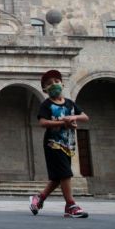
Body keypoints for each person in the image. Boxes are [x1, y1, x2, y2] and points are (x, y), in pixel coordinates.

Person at [29, 69, 90, 218]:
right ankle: (70, 205)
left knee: (58, 177)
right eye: (49, 83)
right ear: (45, 89)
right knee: (65, 173)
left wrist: (73, 117)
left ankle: (39, 198)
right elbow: (43, 122)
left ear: (62, 84)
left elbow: (85, 117)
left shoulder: (70, 103)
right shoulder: (46, 104)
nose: (54, 85)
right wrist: (63, 122)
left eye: (56, 81)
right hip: (53, 143)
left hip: (68, 144)